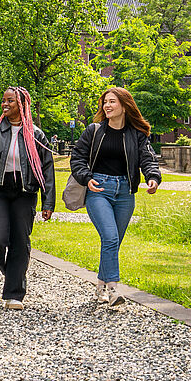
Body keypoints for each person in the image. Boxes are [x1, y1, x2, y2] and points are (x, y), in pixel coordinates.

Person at [69, 87, 161, 306]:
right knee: (110, 238)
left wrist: (153, 178)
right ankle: (113, 290)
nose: (107, 106)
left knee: (113, 242)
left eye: (112, 102)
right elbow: (78, 157)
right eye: (105, 102)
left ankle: (100, 285)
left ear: (124, 105)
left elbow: (147, 159)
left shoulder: (137, 134)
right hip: (99, 189)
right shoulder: (94, 130)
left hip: (125, 193)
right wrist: (86, 177)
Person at [0, 87, 56, 310]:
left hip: (25, 192)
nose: (4, 104)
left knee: (20, 241)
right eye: (3, 100)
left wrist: (48, 202)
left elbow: (47, 170)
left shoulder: (36, 135)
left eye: (10, 101)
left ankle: (14, 294)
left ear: (22, 104)